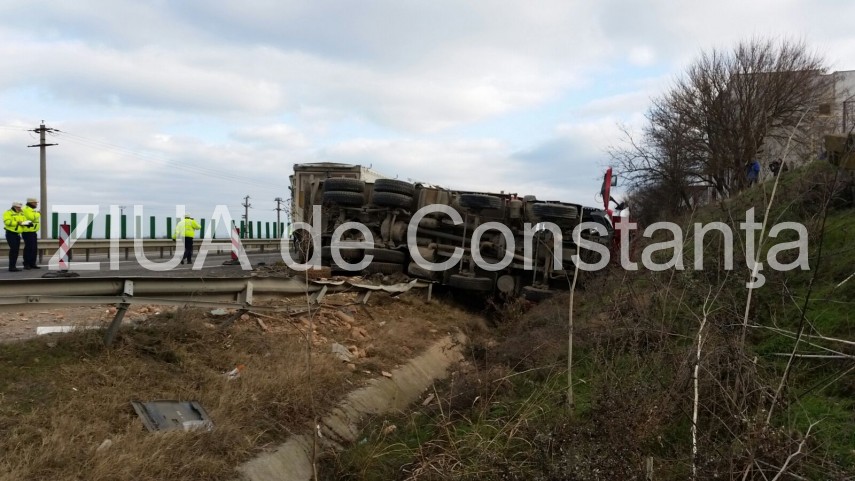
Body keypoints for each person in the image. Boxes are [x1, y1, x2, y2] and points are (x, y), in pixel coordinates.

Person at [3, 201, 28, 272]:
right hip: (10, 233)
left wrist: (27, 223)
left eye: (20, 207)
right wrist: (17, 223)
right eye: (18, 207)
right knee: (13, 250)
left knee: (16, 251)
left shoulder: (21, 213)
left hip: (17, 234)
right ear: (14, 207)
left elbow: (24, 221)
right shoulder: (8, 213)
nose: (19, 208)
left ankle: (13, 266)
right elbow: (7, 222)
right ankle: (11, 267)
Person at [21, 198, 41, 269]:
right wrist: (38, 213)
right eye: (35, 203)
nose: (36, 204)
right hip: (27, 231)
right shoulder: (26, 209)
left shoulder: (31, 210)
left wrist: (36, 214)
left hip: (33, 231)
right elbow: (31, 218)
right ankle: (26, 264)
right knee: (29, 248)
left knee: (34, 248)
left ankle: (32, 263)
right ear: (31, 203)